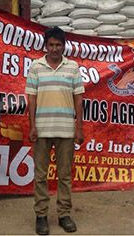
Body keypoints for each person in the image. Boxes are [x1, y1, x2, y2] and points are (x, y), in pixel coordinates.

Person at [26, 26, 85, 235]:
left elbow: (79, 99)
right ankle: (41, 215)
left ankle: (64, 215)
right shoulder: (36, 66)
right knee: (40, 175)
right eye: (51, 44)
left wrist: (79, 128)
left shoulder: (73, 67)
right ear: (45, 45)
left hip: (66, 130)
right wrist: (32, 126)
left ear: (64, 46)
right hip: (41, 129)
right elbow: (31, 98)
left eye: (58, 44)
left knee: (65, 175)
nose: (54, 48)